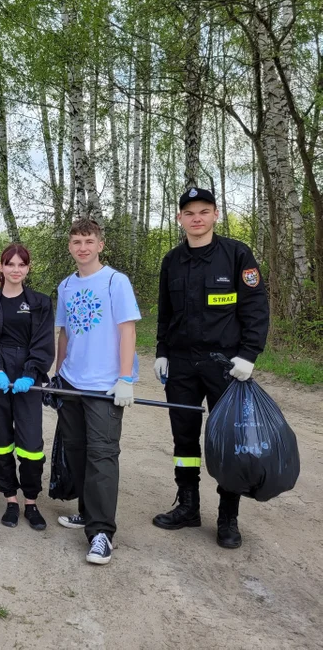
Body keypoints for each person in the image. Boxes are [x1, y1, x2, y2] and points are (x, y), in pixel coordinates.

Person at [151, 187, 269, 549]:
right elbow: (165, 312)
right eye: (190, 213)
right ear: (179, 219)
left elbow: (255, 308)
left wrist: (248, 355)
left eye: (204, 211)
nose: (197, 218)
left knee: (227, 442)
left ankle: (228, 517)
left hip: (226, 365)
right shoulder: (172, 260)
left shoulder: (237, 255)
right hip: (182, 364)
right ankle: (188, 506)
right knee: (184, 439)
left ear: (216, 214)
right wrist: (162, 351)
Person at [53, 218, 141, 565]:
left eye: (89, 241)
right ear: (70, 247)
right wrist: (57, 373)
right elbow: (64, 333)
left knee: (102, 456)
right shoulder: (65, 286)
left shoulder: (115, 282)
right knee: (76, 450)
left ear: (100, 245)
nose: (82, 247)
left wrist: (125, 378)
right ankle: (88, 513)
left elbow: (128, 330)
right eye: (76, 241)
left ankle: (102, 532)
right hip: (72, 381)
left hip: (105, 385)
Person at [0, 244, 55, 530]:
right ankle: (10, 499)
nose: (16, 270)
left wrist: (31, 374)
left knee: (31, 445)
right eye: (10, 264)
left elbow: (44, 342)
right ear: (2, 268)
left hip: (26, 380)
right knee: (0, 440)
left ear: (28, 268)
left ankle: (30, 501)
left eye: (22, 265)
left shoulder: (41, 303)